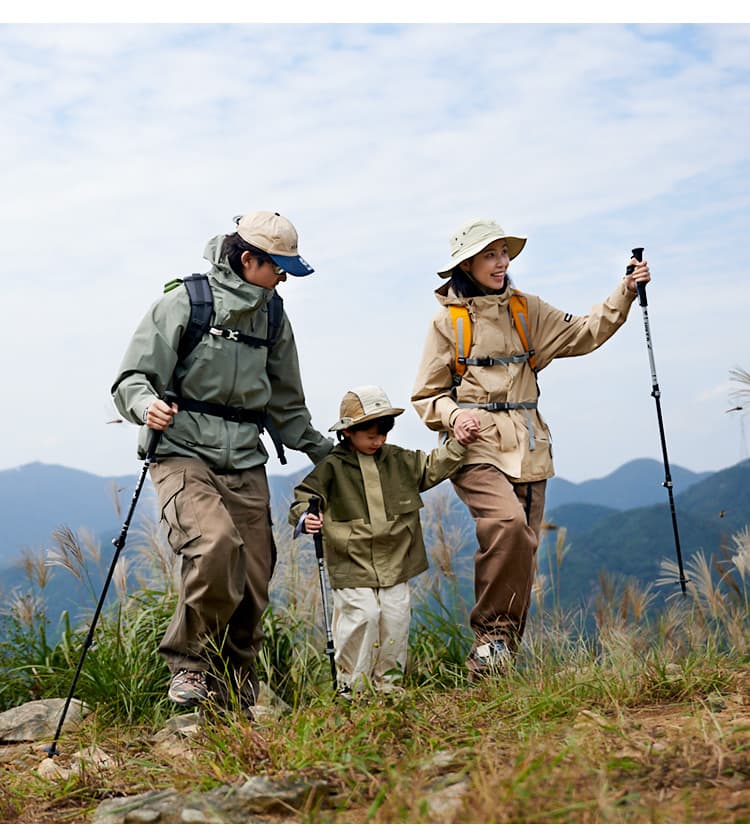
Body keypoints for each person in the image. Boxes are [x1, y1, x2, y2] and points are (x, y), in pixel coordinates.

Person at [111, 210, 333, 713]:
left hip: (245, 457)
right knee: (214, 546)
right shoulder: (183, 303)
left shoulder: (273, 317)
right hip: (182, 453)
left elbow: (286, 404)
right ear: (248, 258)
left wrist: (324, 451)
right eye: (277, 267)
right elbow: (131, 379)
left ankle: (235, 681)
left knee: (256, 569)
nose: (282, 279)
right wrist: (147, 405)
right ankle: (190, 667)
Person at [411, 218, 651, 680]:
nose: (501, 262)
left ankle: (500, 655)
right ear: (467, 264)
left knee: (525, 545)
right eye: (490, 255)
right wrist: (454, 415)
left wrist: (625, 291)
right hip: (476, 443)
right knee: (506, 526)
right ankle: (490, 637)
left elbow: (583, 332)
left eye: (504, 253)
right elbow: (426, 394)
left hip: (529, 442)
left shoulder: (528, 310)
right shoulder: (448, 322)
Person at [288, 385, 469, 697]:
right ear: (348, 432)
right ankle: (353, 687)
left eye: (383, 433)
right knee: (364, 616)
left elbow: (432, 466)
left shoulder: (399, 460)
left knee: (396, 618)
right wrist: (307, 517)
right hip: (351, 560)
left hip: (396, 560)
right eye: (370, 435)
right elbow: (304, 498)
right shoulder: (332, 466)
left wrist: (459, 444)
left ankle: (389, 686)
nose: (378, 441)